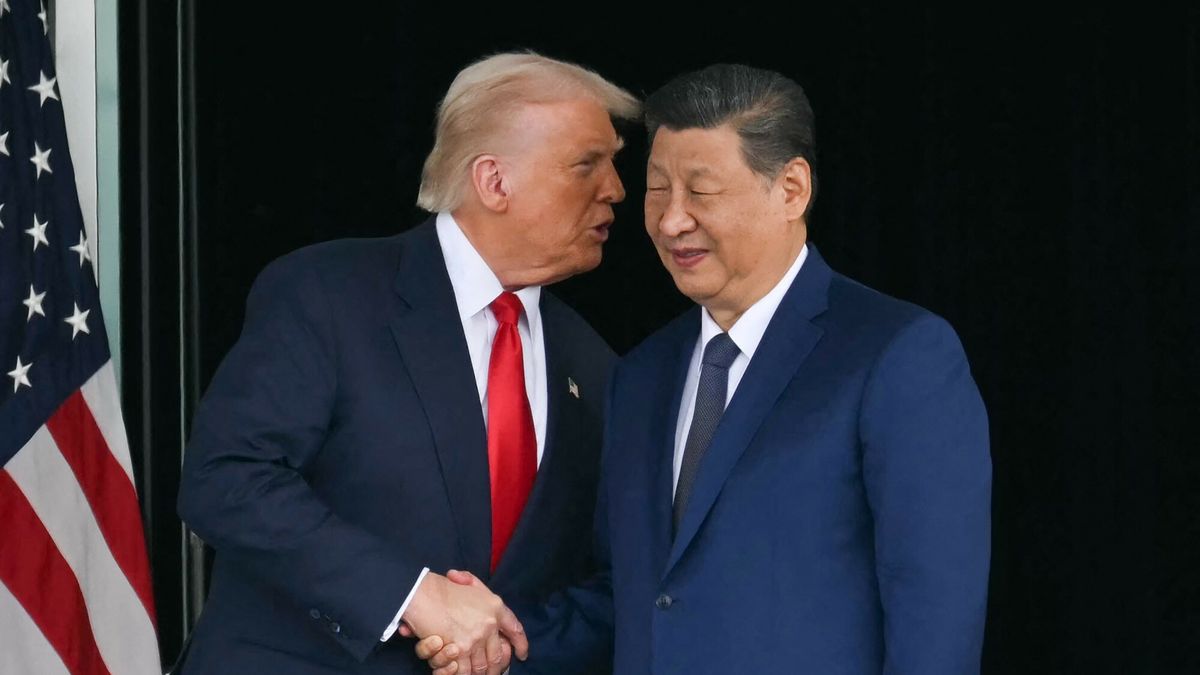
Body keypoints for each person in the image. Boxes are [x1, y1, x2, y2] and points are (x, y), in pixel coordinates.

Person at [416, 63, 991, 674]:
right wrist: (498, 645)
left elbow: (934, 615)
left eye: (702, 191)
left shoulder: (896, 355)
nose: (671, 221)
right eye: (658, 188)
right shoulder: (639, 376)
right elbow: (629, 596)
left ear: (792, 190)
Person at [175, 51, 638, 675]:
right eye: (587, 164)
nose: (615, 188)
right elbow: (226, 479)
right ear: (494, 181)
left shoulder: (597, 364)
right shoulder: (329, 294)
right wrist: (411, 596)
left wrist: (501, 651)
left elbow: (607, 578)